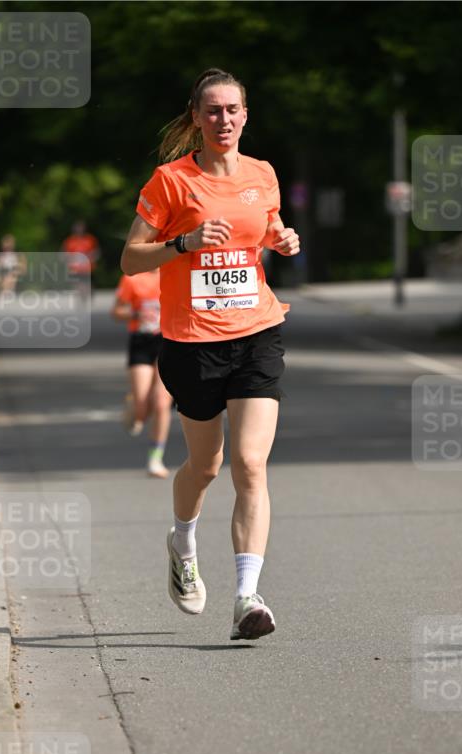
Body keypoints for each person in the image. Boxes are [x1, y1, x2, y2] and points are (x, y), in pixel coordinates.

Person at [120, 67, 299, 640]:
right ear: (196, 118)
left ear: (246, 115)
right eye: (213, 110)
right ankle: (182, 540)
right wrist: (182, 244)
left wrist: (281, 238)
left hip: (256, 331)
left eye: (233, 110)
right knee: (206, 467)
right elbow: (129, 259)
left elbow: (266, 226)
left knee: (250, 464)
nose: (224, 120)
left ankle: (247, 597)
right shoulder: (171, 181)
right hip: (193, 342)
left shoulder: (262, 174)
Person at [111, 268, 173, 478]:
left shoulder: (174, 271)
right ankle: (134, 405)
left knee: (162, 402)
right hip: (141, 341)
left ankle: (155, 458)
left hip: (169, 341)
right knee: (141, 408)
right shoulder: (133, 278)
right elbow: (116, 311)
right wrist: (136, 313)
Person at [62, 220, 100, 300]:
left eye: (81, 228)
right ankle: (81, 297)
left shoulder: (90, 239)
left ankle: (88, 295)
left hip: (88, 267)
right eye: (77, 228)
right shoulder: (70, 241)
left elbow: (96, 252)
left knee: (88, 284)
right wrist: (70, 259)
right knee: (78, 284)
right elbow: (64, 254)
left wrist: (92, 257)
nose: (79, 230)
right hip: (75, 268)